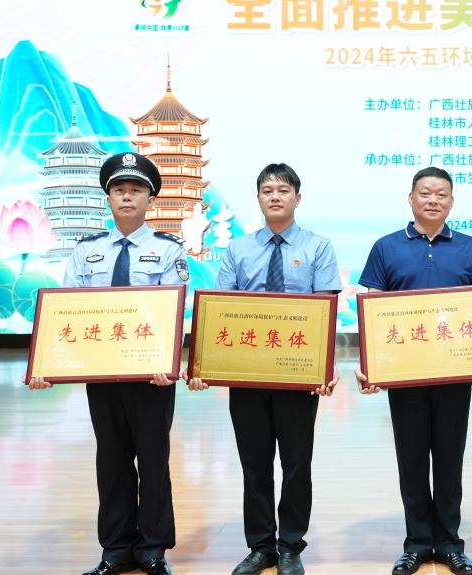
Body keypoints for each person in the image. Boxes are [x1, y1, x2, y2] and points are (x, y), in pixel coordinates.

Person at [27, 152, 187, 575]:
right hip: (102, 374)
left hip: (152, 376)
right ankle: (115, 550)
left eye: (135, 190)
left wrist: (169, 363)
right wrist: (49, 365)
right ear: (108, 198)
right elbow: (66, 313)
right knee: (112, 460)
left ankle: (152, 549)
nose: (127, 197)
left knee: (153, 461)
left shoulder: (169, 250)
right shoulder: (87, 251)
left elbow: (174, 313)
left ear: (150, 199)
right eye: (119, 190)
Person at [187, 163, 342, 575]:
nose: (275, 196)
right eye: (267, 190)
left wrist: (326, 367)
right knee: (254, 464)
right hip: (248, 377)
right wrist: (204, 364)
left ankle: (290, 545)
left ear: (297, 198)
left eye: (283, 190)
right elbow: (221, 310)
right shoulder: (238, 250)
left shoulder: (318, 247)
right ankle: (261, 547)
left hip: (297, 376)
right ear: (258, 198)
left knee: (296, 464)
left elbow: (325, 311)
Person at [355, 167, 472, 575]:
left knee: (450, 462)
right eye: (425, 193)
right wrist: (369, 365)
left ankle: (449, 544)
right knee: (412, 461)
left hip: (454, 375)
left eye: (441, 194)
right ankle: (416, 544)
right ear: (411, 198)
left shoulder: (471, 248)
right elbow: (373, 307)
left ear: (452, 201)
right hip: (405, 377)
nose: (433, 200)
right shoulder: (386, 247)